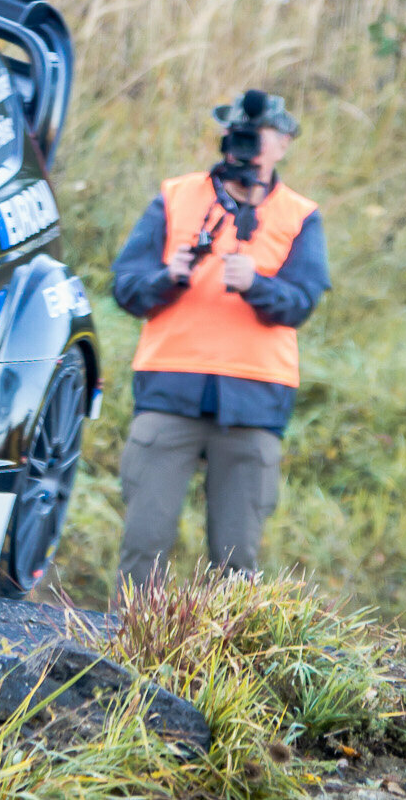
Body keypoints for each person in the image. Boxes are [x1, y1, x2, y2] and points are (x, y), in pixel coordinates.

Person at [110, 91, 330, 596]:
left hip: (256, 398)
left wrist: (258, 284)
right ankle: (125, 652)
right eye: (242, 135)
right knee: (145, 540)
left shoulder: (299, 214)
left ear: (284, 144)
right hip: (171, 389)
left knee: (237, 556)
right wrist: (168, 277)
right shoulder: (177, 196)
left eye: (264, 137)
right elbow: (126, 285)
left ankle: (222, 665)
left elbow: (301, 302)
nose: (250, 147)